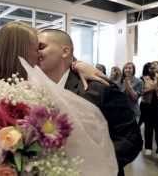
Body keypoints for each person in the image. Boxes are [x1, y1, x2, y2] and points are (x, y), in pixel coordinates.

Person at [0, 22, 118, 176]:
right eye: (36, 48)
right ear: (21, 52)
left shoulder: (34, 85)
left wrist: (76, 64)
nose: (39, 54)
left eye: (41, 48)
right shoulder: (0, 90)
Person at [37, 29, 142, 176]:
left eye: (41, 47)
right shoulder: (35, 89)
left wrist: (92, 164)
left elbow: (131, 140)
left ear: (65, 51)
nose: (36, 53)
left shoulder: (98, 89)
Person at [140, 62, 158, 159]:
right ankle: (148, 147)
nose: (152, 69)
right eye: (150, 68)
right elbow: (141, 92)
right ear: (148, 69)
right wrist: (153, 88)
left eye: (154, 68)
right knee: (148, 127)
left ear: (157, 69)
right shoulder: (143, 78)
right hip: (147, 105)